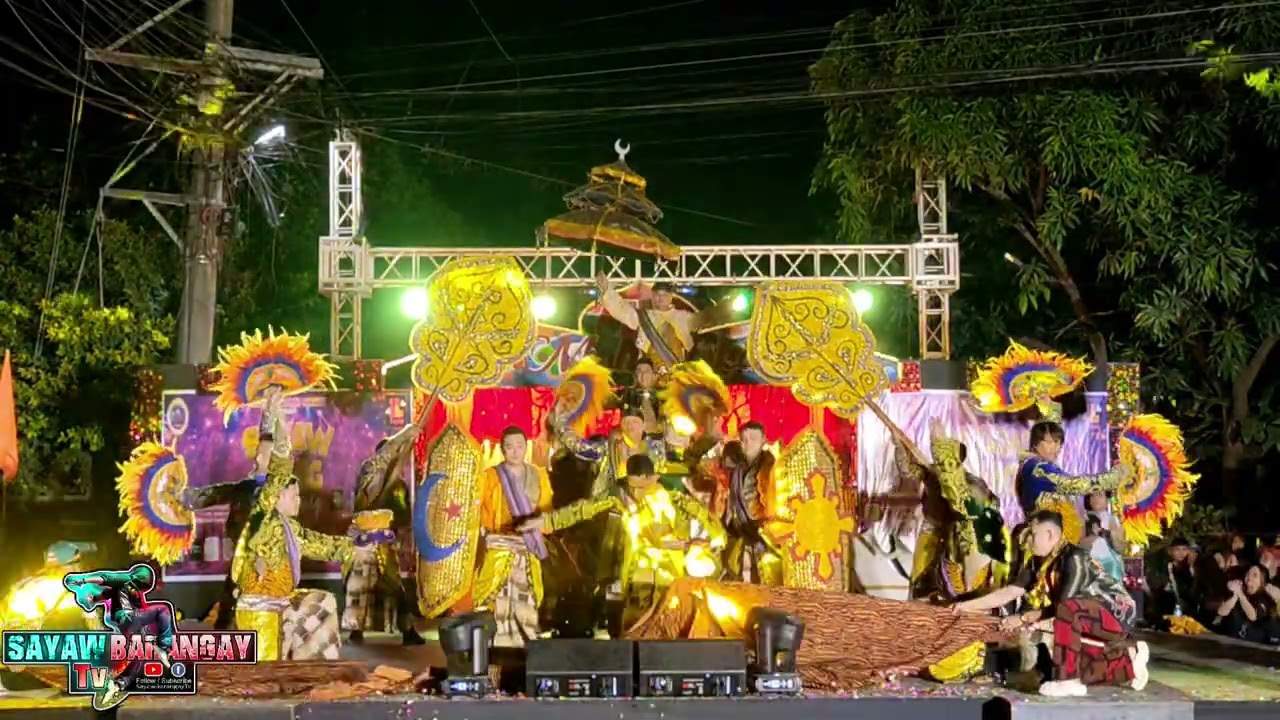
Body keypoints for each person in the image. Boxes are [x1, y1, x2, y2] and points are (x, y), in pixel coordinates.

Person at [232, 402, 376, 661]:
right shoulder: (264, 517)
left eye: (299, 495)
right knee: (261, 679)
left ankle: (317, 667)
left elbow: (323, 545)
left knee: (323, 602)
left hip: (282, 602)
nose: (299, 500)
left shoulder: (292, 528)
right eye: (293, 495)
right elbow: (280, 468)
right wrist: (276, 419)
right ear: (275, 498)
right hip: (260, 610)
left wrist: (357, 546)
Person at [952, 509, 1148, 698]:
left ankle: (1068, 681)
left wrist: (1024, 619)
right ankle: (1130, 662)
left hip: (1115, 612)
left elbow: (1066, 605)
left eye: (1032, 534)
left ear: (1049, 534)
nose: (1028, 540)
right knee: (1077, 670)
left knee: (1067, 614)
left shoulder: (1074, 557)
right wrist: (967, 606)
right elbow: (1010, 592)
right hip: (1084, 617)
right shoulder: (1039, 563)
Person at [520, 454, 725, 632]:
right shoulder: (619, 495)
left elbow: (708, 522)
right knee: (632, 625)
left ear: (653, 478)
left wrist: (710, 542)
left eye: (644, 486)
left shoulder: (673, 497)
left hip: (669, 575)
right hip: (634, 576)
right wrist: (544, 521)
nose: (638, 493)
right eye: (633, 486)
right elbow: (581, 510)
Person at [180, 388, 287, 629]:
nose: (265, 456)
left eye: (270, 454)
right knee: (234, 588)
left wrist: (273, 410)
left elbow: (276, 441)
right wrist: (177, 495)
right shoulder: (243, 488)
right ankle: (225, 629)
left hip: (270, 555)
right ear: (258, 458)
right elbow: (206, 496)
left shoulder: (280, 488)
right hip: (243, 550)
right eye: (262, 453)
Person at [892, 420, 1007, 600]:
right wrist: (899, 445)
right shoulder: (931, 474)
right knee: (920, 577)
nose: (942, 465)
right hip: (934, 528)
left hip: (962, 534)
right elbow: (908, 470)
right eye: (940, 461)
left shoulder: (972, 484)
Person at [470, 426, 555, 648]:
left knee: (527, 596)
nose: (515, 451)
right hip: (500, 543)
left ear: (525, 447)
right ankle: (498, 643)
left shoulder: (539, 474)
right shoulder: (491, 476)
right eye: (509, 447)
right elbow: (482, 510)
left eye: (519, 446)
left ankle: (526, 640)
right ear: (502, 449)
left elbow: (546, 509)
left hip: (529, 543)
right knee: (499, 598)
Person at [344, 417, 426, 646]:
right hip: (363, 541)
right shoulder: (368, 472)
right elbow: (383, 457)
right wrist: (405, 433)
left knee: (396, 588)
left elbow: (402, 516)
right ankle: (355, 630)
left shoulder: (398, 485)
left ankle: (407, 630)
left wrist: (402, 537)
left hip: (385, 543)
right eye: (389, 454)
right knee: (359, 587)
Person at [64, 564, 175, 707]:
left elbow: (104, 595)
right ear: (141, 578)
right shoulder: (125, 579)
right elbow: (107, 577)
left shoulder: (123, 589)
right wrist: (84, 580)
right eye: (143, 585)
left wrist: (93, 600)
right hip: (127, 618)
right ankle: (164, 647)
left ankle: (117, 685)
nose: (141, 590)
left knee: (140, 654)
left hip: (127, 624)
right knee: (163, 610)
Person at [685, 421, 781, 585]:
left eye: (753, 438)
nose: (748, 443)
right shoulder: (737, 471)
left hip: (764, 539)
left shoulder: (772, 469)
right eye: (744, 439)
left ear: (764, 440)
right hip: (739, 537)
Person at [1015, 420, 1127, 544]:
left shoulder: (1039, 466)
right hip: (1045, 538)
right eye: (1052, 443)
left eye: (1059, 444)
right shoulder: (1037, 468)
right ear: (1036, 443)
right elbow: (1074, 484)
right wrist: (1114, 477)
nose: (1057, 449)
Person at [596, 273, 696, 372]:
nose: (660, 298)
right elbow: (622, 310)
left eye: (664, 294)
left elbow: (706, 322)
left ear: (671, 297)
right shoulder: (644, 316)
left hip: (677, 372)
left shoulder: (683, 317)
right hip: (647, 373)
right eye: (657, 294)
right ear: (652, 296)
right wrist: (607, 290)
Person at [1211, 564, 1280, 645]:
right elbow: (1221, 612)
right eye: (1248, 574)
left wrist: (1240, 594)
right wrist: (1235, 595)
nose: (1249, 577)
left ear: (1262, 581)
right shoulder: (1241, 592)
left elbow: (1253, 616)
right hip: (1234, 639)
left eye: (1255, 575)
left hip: (1255, 643)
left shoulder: (1265, 597)